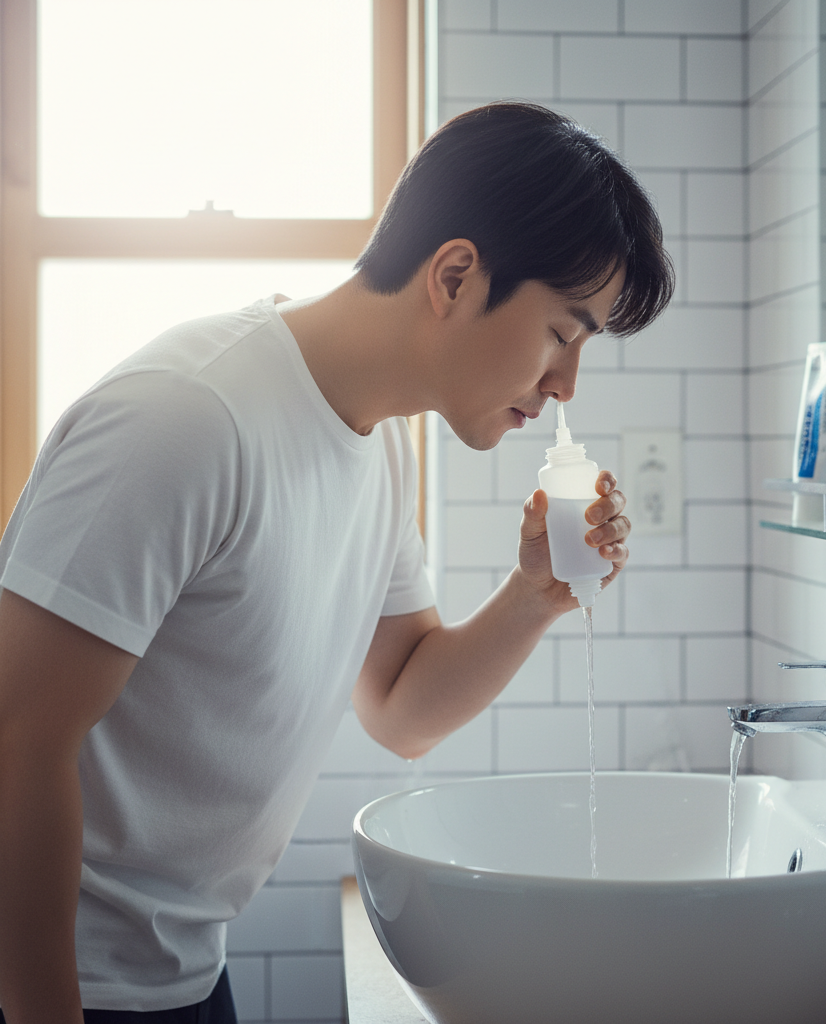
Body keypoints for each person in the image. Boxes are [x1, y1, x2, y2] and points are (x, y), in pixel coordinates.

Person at [0, 101, 673, 1023]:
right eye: (564, 333)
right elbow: (15, 739)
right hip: (47, 981)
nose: (566, 385)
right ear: (455, 275)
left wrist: (534, 596)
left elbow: (401, 708)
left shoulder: (380, 448)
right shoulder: (188, 418)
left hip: (181, 976)